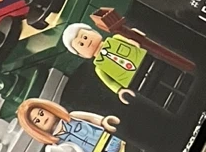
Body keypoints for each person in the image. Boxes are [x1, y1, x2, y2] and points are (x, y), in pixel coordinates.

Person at [62, 11, 195, 109]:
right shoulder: (99, 68)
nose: (86, 42)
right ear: (81, 55)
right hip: (136, 82)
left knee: (171, 74)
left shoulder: (115, 39)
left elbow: (131, 39)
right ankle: (182, 104)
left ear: (93, 32)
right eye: (80, 44)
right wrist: (119, 90)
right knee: (160, 95)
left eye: (85, 37)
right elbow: (109, 82)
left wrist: (136, 38)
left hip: (147, 61)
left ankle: (190, 85)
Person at [16, 98, 126, 152]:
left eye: (41, 113)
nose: (42, 118)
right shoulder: (56, 145)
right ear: (36, 129)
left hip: (109, 143)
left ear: (48, 108)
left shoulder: (73, 117)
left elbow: (92, 118)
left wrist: (104, 121)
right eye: (37, 121)